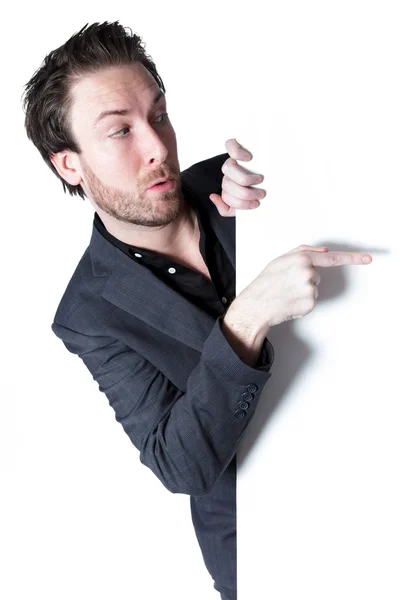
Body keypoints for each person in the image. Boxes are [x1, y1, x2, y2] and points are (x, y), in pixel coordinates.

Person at [22, 21, 372, 600]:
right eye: (121, 132)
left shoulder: (244, 182)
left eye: (159, 114)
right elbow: (178, 464)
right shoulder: (86, 313)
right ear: (69, 166)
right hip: (266, 545)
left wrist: (292, 180)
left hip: (371, 474)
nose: (158, 146)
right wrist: (245, 321)